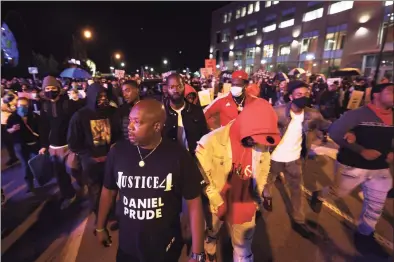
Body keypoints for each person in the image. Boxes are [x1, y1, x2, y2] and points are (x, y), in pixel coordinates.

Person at [96, 99, 206, 262]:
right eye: (130, 120)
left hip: (164, 247)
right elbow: (108, 190)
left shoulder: (178, 156)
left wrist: (198, 251)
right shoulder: (118, 152)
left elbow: (194, 202)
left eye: (137, 122)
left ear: (156, 126)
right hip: (128, 246)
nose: (130, 127)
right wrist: (100, 227)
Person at [310, 83, 393, 256]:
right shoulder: (357, 114)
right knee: (337, 193)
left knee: (375, 206)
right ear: (376, 95)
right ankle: (319, 194)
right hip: (352, 166)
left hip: (381, 169)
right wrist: (360, 150)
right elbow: (334, 132)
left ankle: (364, 235)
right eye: (391, 91)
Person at [196, 98, 280, 262]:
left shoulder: (261, 142)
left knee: (243, 249)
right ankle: (210, 248)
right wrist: (216, 201)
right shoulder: (209, 142)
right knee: (212, 232)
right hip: (218, 202)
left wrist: (257, 197)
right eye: (255, 138)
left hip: (245, 204)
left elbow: (263, 167)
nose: (258, 143)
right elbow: (202, 177)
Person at [263, 80, 331, 238]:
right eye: (299, 94)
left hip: (295, 160)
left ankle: (298, 220)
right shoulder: (277, 112)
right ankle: (266, 198)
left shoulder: (313, 114)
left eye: (306, 94)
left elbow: (327, 126)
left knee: (296, 190)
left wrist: (348, 130)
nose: (303, 97)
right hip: (275, 158)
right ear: (291, 96)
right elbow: (262, 128)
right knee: (267, 182)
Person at [68, 83, 118, 219]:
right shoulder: (80, 116)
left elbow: (118, 134)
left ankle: (111, 213)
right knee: (95, 191)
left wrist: (115, 146)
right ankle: (100, 216)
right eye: (99, 96)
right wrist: (89, 156)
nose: (102, 99)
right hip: (91, 163)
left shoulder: (112, 112)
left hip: (110, 160)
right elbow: (73, 143)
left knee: (110, 189)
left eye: (104, 95)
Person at [38, 76, 78, 210]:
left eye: (53, 88)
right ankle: (69, 195)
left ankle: (85, 186)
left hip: (69, 146)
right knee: (60, 175)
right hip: (53, 147)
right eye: (47, 89)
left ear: (58, 89)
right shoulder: (44, 106)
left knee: (75, 170)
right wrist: (43, 145)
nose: (50, 91)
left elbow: (75, 124)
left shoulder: (68, 104)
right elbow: (43, 127)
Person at [6, 97, 40, 192]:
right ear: (17, 106)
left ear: (28, 105)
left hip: (33, 144)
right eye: (20, 105)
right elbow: (8, 130)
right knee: (26, 165)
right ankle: (30, 185)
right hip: (20, 146)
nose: (22, 107)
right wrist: (13, 129)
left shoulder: (34, 116)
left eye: (25, 105)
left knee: (36, 163)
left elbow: (41, 130)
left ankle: (42, 179)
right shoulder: (13, 117)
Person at [1, 92, 19, 166]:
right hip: (2, 123)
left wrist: (9, 108)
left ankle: (22, 156)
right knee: (7, 143)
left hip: (10, 124)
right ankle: (13, 157)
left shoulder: (9, 96)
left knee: (15, 141)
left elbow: (14, 107)